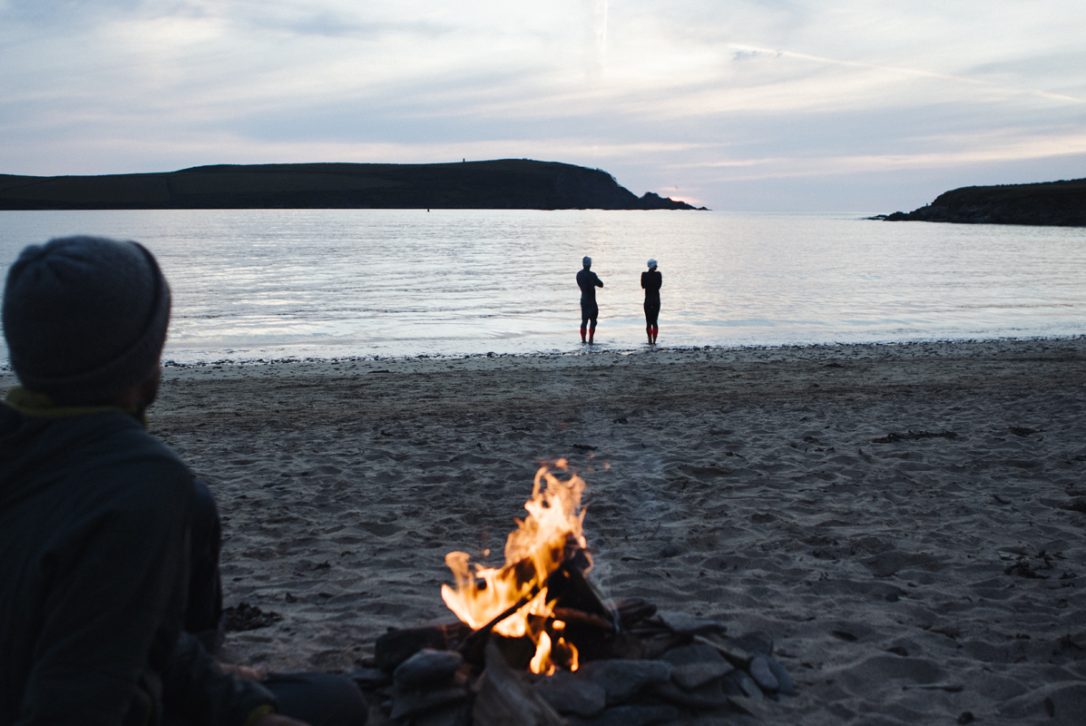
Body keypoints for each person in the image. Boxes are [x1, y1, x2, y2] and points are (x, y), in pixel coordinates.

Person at [0, 236, 367, 726]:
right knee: (339, 704)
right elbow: (76, 697)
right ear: (139, 358)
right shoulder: (141, 487)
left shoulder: (38, 454)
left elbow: (116, 627)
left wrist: (247, 709)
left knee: (332, 696)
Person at [576, 255, 604, 344]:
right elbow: (601, 284)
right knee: (593, 321)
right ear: (590, 264)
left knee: (584, 321)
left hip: (584, 300)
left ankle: (583, 340)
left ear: (583, 264)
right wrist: (594, 281)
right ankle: (591, 339)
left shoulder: (579, 275)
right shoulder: (592, 275)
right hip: (592, 300)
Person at [641, 258, 662, 345]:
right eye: (655, 265)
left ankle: (649, 340)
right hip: (656, 300)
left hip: (648, 300)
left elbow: (643, 286)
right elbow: (659, 285)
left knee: (648, 322)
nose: (657, 266)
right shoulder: (658, 275)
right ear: (654, 266)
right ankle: (654, 341)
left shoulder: (644, 275)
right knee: (655, 321)